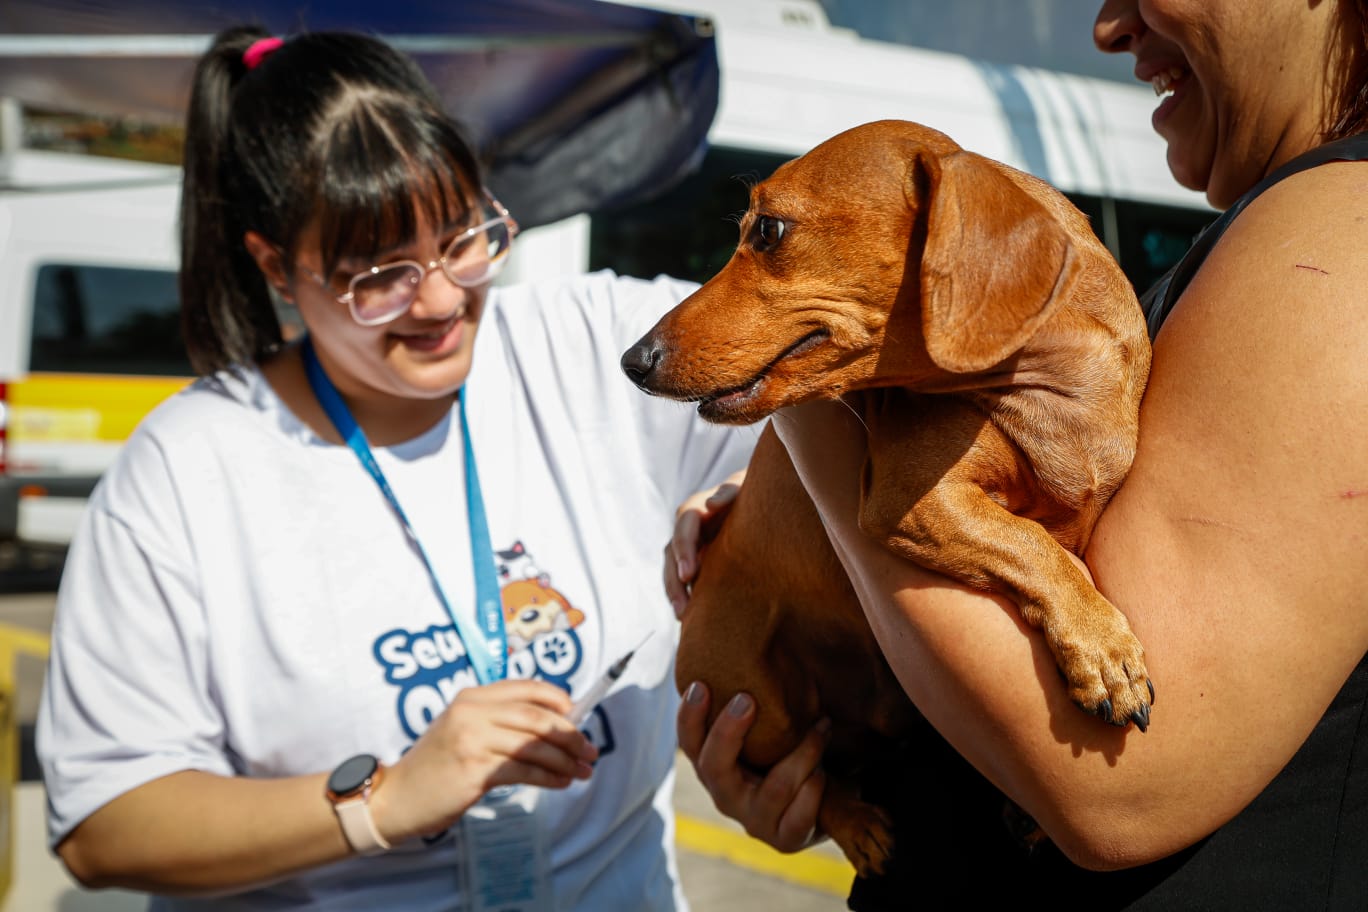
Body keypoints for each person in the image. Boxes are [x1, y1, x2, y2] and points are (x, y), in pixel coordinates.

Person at [36, 26, 752, 911]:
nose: (444, 299)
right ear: (276, 268)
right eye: (379, 274)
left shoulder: (588, 347)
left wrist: (758, 500)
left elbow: (838, 393)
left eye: (462, 238)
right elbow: (103, 824)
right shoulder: (189, 471)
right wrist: (382, 801)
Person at [670, 0, 1368, 907]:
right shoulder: (1269, 230)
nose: (1108, 27)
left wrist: (806, 409)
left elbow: (1120, 787)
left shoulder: (1338, 237)